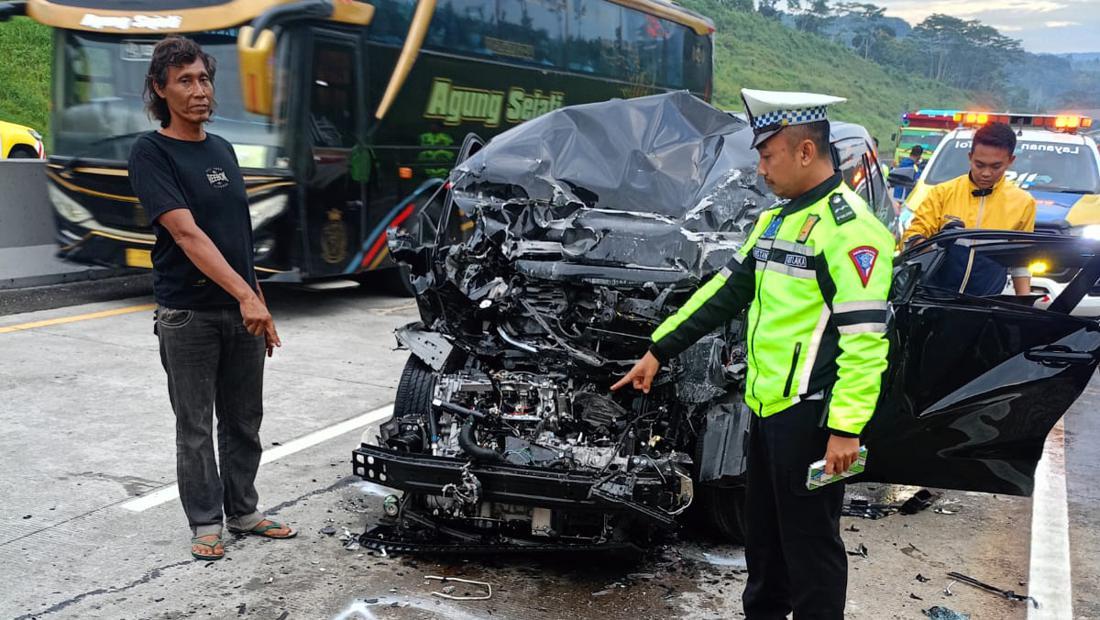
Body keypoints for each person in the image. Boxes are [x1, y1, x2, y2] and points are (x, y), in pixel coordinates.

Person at [613, 88, 895, 619]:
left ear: (805, 152)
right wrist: (658, 349)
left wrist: (846, 429)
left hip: (812, 418)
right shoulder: (775, 222)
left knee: (811, 548)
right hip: (766, 411)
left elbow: (864, 343)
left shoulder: (852, 233)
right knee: (763, 545)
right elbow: (723, 293)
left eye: (768, 156)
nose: (761, 169)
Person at [128, 37, 295, 562]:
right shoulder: (151, 152)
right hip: (188, 314)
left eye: (203, 78)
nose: (199, 90)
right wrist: (247, 297)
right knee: (196, 427)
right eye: (184, 80)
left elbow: (236, 235)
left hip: (240, 307)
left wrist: (258, 300)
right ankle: (205, 521)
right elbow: (187, 234)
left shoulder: (221, 149)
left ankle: (243, 510)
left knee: (245, 419)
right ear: (160, 88)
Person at [902, 122, 1036, 295]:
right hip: (934, 299)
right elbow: (912, 239)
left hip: (984, 303)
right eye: (979, 164)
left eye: (996, 167)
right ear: (970, 156)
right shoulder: (942, 193)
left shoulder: (1024, 203)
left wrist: (1023, 304)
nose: (986, 173)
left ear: (1010, 161)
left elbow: (1021, 261)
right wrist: (939, 245)